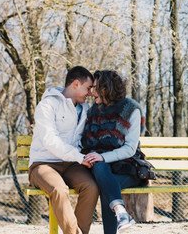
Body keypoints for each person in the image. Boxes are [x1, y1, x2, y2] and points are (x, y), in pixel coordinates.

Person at [28, 66, 100, 234]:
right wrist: (78, 156)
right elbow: (49, 140)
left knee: (92, 187)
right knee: (59, 190)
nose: (90, 93)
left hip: (71, 164)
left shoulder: (85, 110)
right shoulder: (48, 105)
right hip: (43, 164)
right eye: (88, 88)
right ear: (76, 84)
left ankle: (80, 231)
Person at [81, 70, 146, 234]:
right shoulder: (92, 111)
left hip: (127, 168)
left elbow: (130, 149)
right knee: (101, 170)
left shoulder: (130, 110)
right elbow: (84, 142)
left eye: (95, 88)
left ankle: (119, 216)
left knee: (107, 184)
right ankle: (121, 213)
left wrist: (102, 156)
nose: (92, 92)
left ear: (106, 88)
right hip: (100, 169)